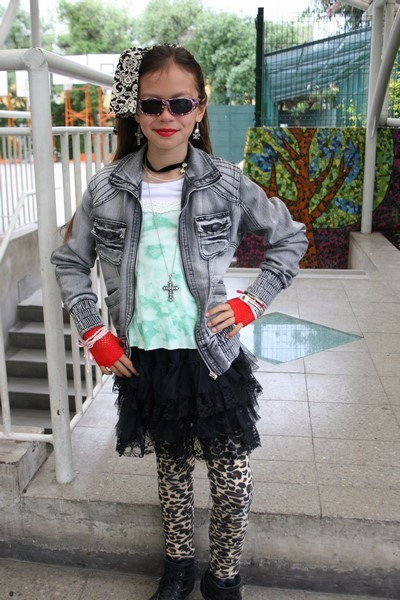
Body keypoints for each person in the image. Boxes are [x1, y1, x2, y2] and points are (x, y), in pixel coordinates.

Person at [51, 44, 308, 600]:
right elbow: (70, 262)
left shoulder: (226, 182)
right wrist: (94, 332)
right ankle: (178, 569)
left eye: (180, 103)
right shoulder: (106, 189)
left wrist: (252, 302)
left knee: (232, 483)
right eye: (152, 104)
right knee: (171, 477)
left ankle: (224, 577)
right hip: (148, 359)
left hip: (211, 358)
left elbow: (290, 238)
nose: (165, 116)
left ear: (199, 109)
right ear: (136, 111)